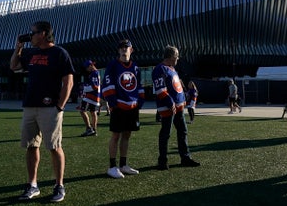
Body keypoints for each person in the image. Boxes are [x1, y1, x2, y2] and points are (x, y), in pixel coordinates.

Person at [10, 21, 74, 202]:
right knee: (31, 146)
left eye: (33, 33)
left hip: (50, 107)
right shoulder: (30, 53)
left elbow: (68, 82)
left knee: (54, 147)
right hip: (30, 105)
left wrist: (60, 106)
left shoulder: (59, 53)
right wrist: (18, 48)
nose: (30, 36)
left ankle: (59, 185)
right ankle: (32, 185)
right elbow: (13, 66)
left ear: (44, 34)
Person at [101, 39, 145, 178]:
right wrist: (113, 103)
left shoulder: (136, 67)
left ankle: (123, 165)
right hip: (119, 106)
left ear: (131, 50)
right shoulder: (113, 65)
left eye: (126, 47)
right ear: (118, 50)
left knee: (127, 135)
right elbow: (107, 84)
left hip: (132, 106)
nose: (124, 49)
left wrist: (140, 101)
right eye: (121, 47)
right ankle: (112, 167)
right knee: (116, 135)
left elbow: (139, 85)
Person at [152, 45, 200, 170]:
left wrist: (182, 101)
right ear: (172, 56)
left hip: (178, 108)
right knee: (165, 134)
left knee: (183, 132)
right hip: (168, 107)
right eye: (177, 56)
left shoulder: (172, 69)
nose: (178, 58)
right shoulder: (160, 69)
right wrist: (170, 102)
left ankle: (185, 157)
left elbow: (177, 87)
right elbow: (160, 89)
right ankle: (162, 160)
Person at [79, 60, 100, 136]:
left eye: (87, 67)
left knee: (82, 110)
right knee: (93, 112)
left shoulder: (94, 73)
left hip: (90, 96)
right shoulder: (95, 73)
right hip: (94, 95)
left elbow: (94, 86)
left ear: (90, 66)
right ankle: (94, 130)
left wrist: (84, 89)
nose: (86, 69)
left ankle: (89, 128)